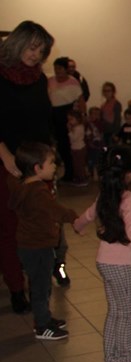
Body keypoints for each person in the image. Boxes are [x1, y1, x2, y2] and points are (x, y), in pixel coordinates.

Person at [73, 145, 131, 362]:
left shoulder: (105, 195)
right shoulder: (128, 198)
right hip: (120, 266)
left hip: (103, 262)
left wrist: (77, 226)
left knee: (114, 312)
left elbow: (87, 216)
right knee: (126, 314)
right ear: (129, 173)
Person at [0, 21, 56, 316]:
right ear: (18, 43)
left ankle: (38, 288)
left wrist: (49, 159)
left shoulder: (39, 79)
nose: (36, 55)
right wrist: (5, 155)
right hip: (7, 163)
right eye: (32, 47)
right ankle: (15, 287)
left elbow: (44, 121)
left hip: (37, 165)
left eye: (41, 50)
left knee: (40, 229)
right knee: (10, 229)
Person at [8, 141, 77, 339]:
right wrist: (74, 217)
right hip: (38, 246)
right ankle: (42, 326)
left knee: (40, 284)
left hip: (29, 246)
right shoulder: (38, 191)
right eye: (51, 163)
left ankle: (44, 317)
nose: (55, 166)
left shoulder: (23, 186)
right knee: (41, 287)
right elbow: (55, 210)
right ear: (38, 168)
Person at [48, 56, 84, 183]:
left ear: (65, 69)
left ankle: (72, 172)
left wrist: (81, 117)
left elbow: (80, 100)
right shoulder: (50, 81)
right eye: (55, 68)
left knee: (69, 145)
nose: (57, 71)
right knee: (59, 145)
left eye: (59, 68)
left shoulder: (73, 82)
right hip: (54, 114)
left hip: (68, 114)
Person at [66, 108, 89, 186]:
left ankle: (82, 179)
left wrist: (70, 131)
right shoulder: (75, 128)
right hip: (75, 148)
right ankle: (78, 178)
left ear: (77, 119)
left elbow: (74, 138)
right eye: (68, 119)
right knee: (76, 164)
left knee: (79, 165)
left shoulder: (79, 128)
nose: (69, 121)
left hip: (79, 148)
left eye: (71, 119)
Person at [99, 82, 122, 146]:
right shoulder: (103, 105)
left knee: (111, 149)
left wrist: (116, 133)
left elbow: (117, 120)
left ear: (113, 92)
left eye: (108, 91)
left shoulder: (116, 104)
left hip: (112, 131)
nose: (106, 93)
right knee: (105, 149)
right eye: (104, 91)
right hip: (105, 130)